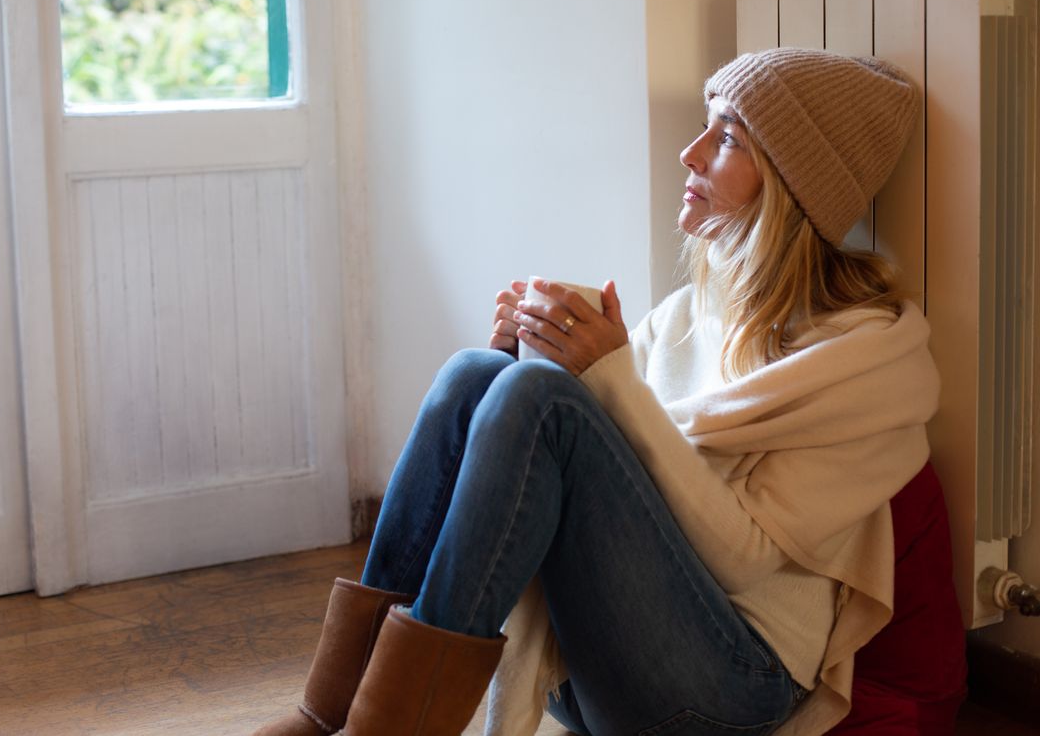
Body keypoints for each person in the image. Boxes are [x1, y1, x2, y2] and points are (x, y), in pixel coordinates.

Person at [253, 47, 938, 736]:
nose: (691, 153)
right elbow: (608, 476)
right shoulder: (688, 316)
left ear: (794, 183)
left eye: (728, 137)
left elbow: (740, 556)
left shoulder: (860, 365)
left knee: (539, 401)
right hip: (602, 663)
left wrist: (604, 377)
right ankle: (327, 713)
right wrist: (521, 355)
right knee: (476, 376)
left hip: (732, 688)